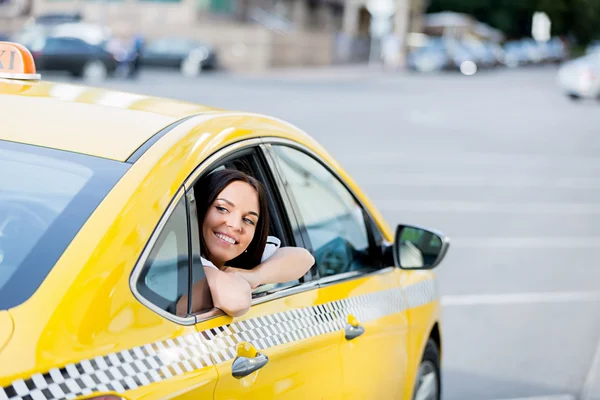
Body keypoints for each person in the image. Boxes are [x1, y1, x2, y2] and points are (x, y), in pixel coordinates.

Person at [177, 169, 314, 317]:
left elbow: (305, 258)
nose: (235, 225)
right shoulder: (181, 262)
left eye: (248, 220)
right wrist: (223, 276)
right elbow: (236, 302)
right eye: (222, 208)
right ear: (199, 209)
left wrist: (254, 275)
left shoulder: (243, 259)